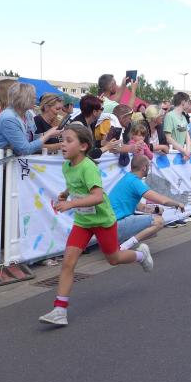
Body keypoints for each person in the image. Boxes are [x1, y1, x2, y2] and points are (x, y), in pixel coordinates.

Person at [38, 123, 153, 326]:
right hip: (83, 222)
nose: (62, 144)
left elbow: (98, 197)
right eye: (62, 140)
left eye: (68, 140)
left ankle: (141, 255)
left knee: (114, 258)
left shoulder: (88, 167)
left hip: (102, 221)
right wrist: (66, 193)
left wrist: (71, 203)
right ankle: (60, 310)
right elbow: (74, 183)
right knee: (68, 262)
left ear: (83, 146)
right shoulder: (67, 166)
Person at [109, 154, 186, 250]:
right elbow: (163, 200)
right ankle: (123, 247)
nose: (149, 169)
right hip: (116, 226)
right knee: (159, 222)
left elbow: (140, 206)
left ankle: (121, 242)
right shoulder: (135, 182)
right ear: (144, 168)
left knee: (153, 228)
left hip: (110, 226)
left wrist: (155, 210)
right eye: (148, 166)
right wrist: (178, 204)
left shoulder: (127, 178)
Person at [0, 82, 60, 155]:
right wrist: (48, 135)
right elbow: (25, 149)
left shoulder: (27, 114)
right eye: (33, 97)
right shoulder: (9, 118)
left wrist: (50, 133)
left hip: (8, 159)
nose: (35, 100)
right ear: (23, 99)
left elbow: (32, 137)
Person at [164, 92, 191, 159]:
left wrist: (188, 151)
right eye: (188, 102)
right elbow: (168, 138)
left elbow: (187, 136)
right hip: (172, 156)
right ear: (183, 102)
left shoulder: (184, 117)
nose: (189, 104)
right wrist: (184, 151)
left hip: (182, 154)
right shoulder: (169, 116)